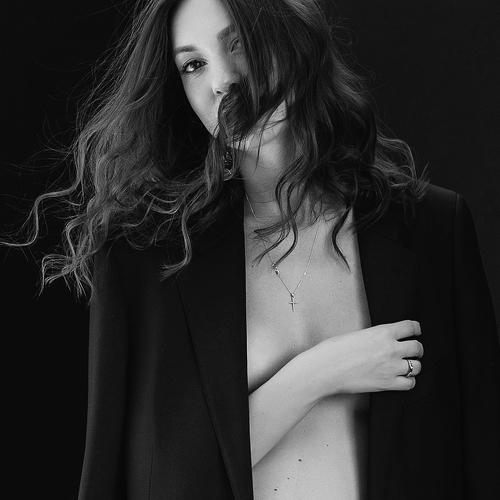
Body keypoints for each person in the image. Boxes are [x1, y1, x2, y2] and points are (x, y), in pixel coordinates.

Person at [2, 0, 499, 499]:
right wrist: (318, 373)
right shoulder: (145, 257)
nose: (222, 81)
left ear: (291, 39)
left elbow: (481, 457)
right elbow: (150, 479)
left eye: (237, 43)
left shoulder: (433, 228)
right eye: (193, 65)